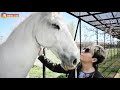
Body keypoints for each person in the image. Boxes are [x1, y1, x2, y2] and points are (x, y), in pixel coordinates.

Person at [38, 45, 106, 78]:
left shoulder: (98, 77)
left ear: (94, 59)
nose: (82, 51)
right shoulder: (73, 67)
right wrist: (41, 56)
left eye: (87, 50)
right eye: (84, 48)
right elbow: (54, 67)